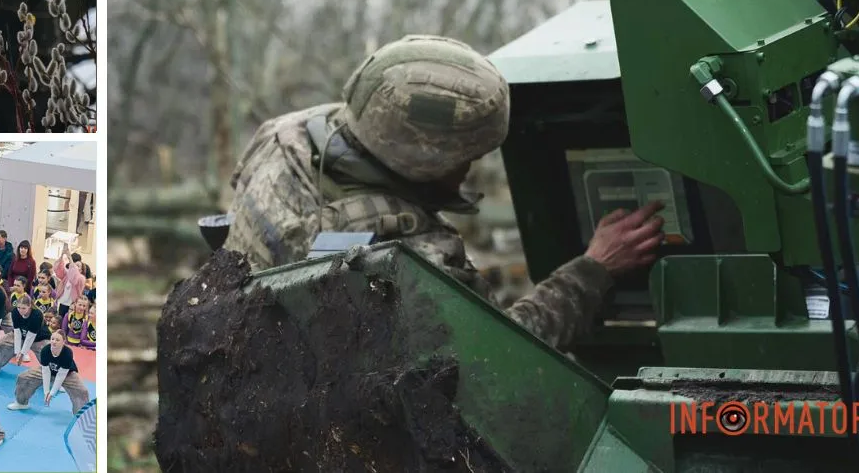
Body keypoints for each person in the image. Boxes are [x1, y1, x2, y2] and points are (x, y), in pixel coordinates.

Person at [222, 34, 665, 352]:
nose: (469, 170)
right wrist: (594, 269)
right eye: (464, 159)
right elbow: (502, 353)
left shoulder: (283, 136)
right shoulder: (409, 250)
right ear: (424, 163)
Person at [8, 330, 90, 413]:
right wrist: (46, 392)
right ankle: (21, 403)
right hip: (48, 370)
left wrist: (52, 393)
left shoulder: (67, 353)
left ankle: (80, 414)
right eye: (52, 339)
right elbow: (46, 372)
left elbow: (60, 376)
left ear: (63, 342)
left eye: (57, 340)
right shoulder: (45, 351)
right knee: (23, 377)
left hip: (67, 374)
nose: (54, 342)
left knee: (82, 391)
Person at [0, 295, 50, 374]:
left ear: (29, 306)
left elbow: (30, 337)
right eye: (19, 307)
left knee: (48, 353)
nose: (20, 310)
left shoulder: (37, 314)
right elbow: (17, 333)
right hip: (21, 334)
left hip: (39, 338)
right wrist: (17, 352)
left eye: (23, 308)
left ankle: (52, 374)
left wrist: (22, 354)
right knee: (0, 344)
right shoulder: (15, 312)